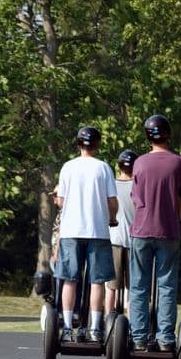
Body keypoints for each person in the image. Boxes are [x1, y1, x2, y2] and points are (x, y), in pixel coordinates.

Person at [128, 114, 181, 352]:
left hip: (142, 230)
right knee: (166, 286)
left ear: (147, 136)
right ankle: (165, 339)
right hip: (169, 231)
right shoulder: (179, 163)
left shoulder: (140, 163)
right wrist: (178, 213)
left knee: (139, 286)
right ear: (169, 134)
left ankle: (139, 337)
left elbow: (136, 199)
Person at [56, 126, 118, 343]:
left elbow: (61, 200)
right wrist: (112, 218)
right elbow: (112, 202)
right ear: (97, 144)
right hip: (98, 231)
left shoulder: (67, 167)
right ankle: (94, 328)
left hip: (71, 230)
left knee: (70, 279)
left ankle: (66, 326)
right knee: (96, 281)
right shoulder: (104, 168)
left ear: (78, 144)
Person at [105, 150, 138, 319]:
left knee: (111, 285)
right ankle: (133, 323)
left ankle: (106, 320)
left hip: (114, 239)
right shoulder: (139, 186)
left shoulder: (111, 185)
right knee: (132, 287)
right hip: (134, 240)